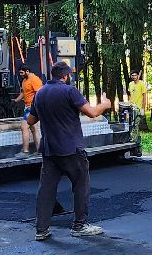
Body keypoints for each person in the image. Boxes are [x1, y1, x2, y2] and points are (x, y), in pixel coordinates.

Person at [28, 61, 113, 240]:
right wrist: (105, 104)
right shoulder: (69, 91)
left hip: (50, 151)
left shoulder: (41, 93)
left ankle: (41, 230)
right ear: (65, 76)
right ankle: (79, 225)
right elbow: (92, 113)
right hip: (71, 149)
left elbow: (30, 121)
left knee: (46, 189)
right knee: (81, 184)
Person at [17, 62, 45, 153]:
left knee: (24, 127)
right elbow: (23, 92)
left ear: (27, 71)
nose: (20, 75)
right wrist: (16, 100)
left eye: (22, 73)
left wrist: (35, 107)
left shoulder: (34, 80)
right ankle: (39, 150)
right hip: (28, 107)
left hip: (33, 107)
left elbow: (39, 94)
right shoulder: (25, 80)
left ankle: (25, 151)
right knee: (33, 129)